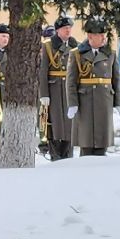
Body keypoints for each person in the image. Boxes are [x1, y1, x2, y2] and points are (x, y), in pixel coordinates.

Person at [65, 16, 120, 156]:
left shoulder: (110, 54)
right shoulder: (77, 54)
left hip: (104, 100)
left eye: (103, 34)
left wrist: (118, 103)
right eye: (100, 35)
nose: (103, 38)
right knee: (86, 140)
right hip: (85, 100)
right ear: (90, 36)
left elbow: (116, 79)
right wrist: (72, 103)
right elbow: (71, 81)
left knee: (102, 139)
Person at [42, 16, 77, 161]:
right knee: (54, 123)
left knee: (70, 124)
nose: (68, 30)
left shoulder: (76, 45)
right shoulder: (48, 46)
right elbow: (42, 71)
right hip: (54, 88)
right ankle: (55, 155)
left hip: (70, 89)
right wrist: (44, 94)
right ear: (57, 30)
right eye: (64, 28)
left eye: (69, 28)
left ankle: (68, 154)